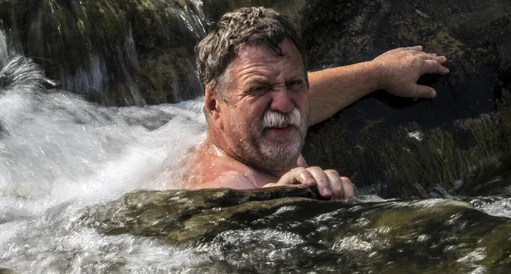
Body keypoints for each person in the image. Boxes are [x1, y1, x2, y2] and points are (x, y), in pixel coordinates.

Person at [182, 7, 449, 199]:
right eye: (259, 88)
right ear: (214, 104)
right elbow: (219, 210)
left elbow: (312, 91)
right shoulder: (223, 184)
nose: (285, 105)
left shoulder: (245, 125)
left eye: (294, 83)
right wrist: (279, 198)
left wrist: (378, 72)